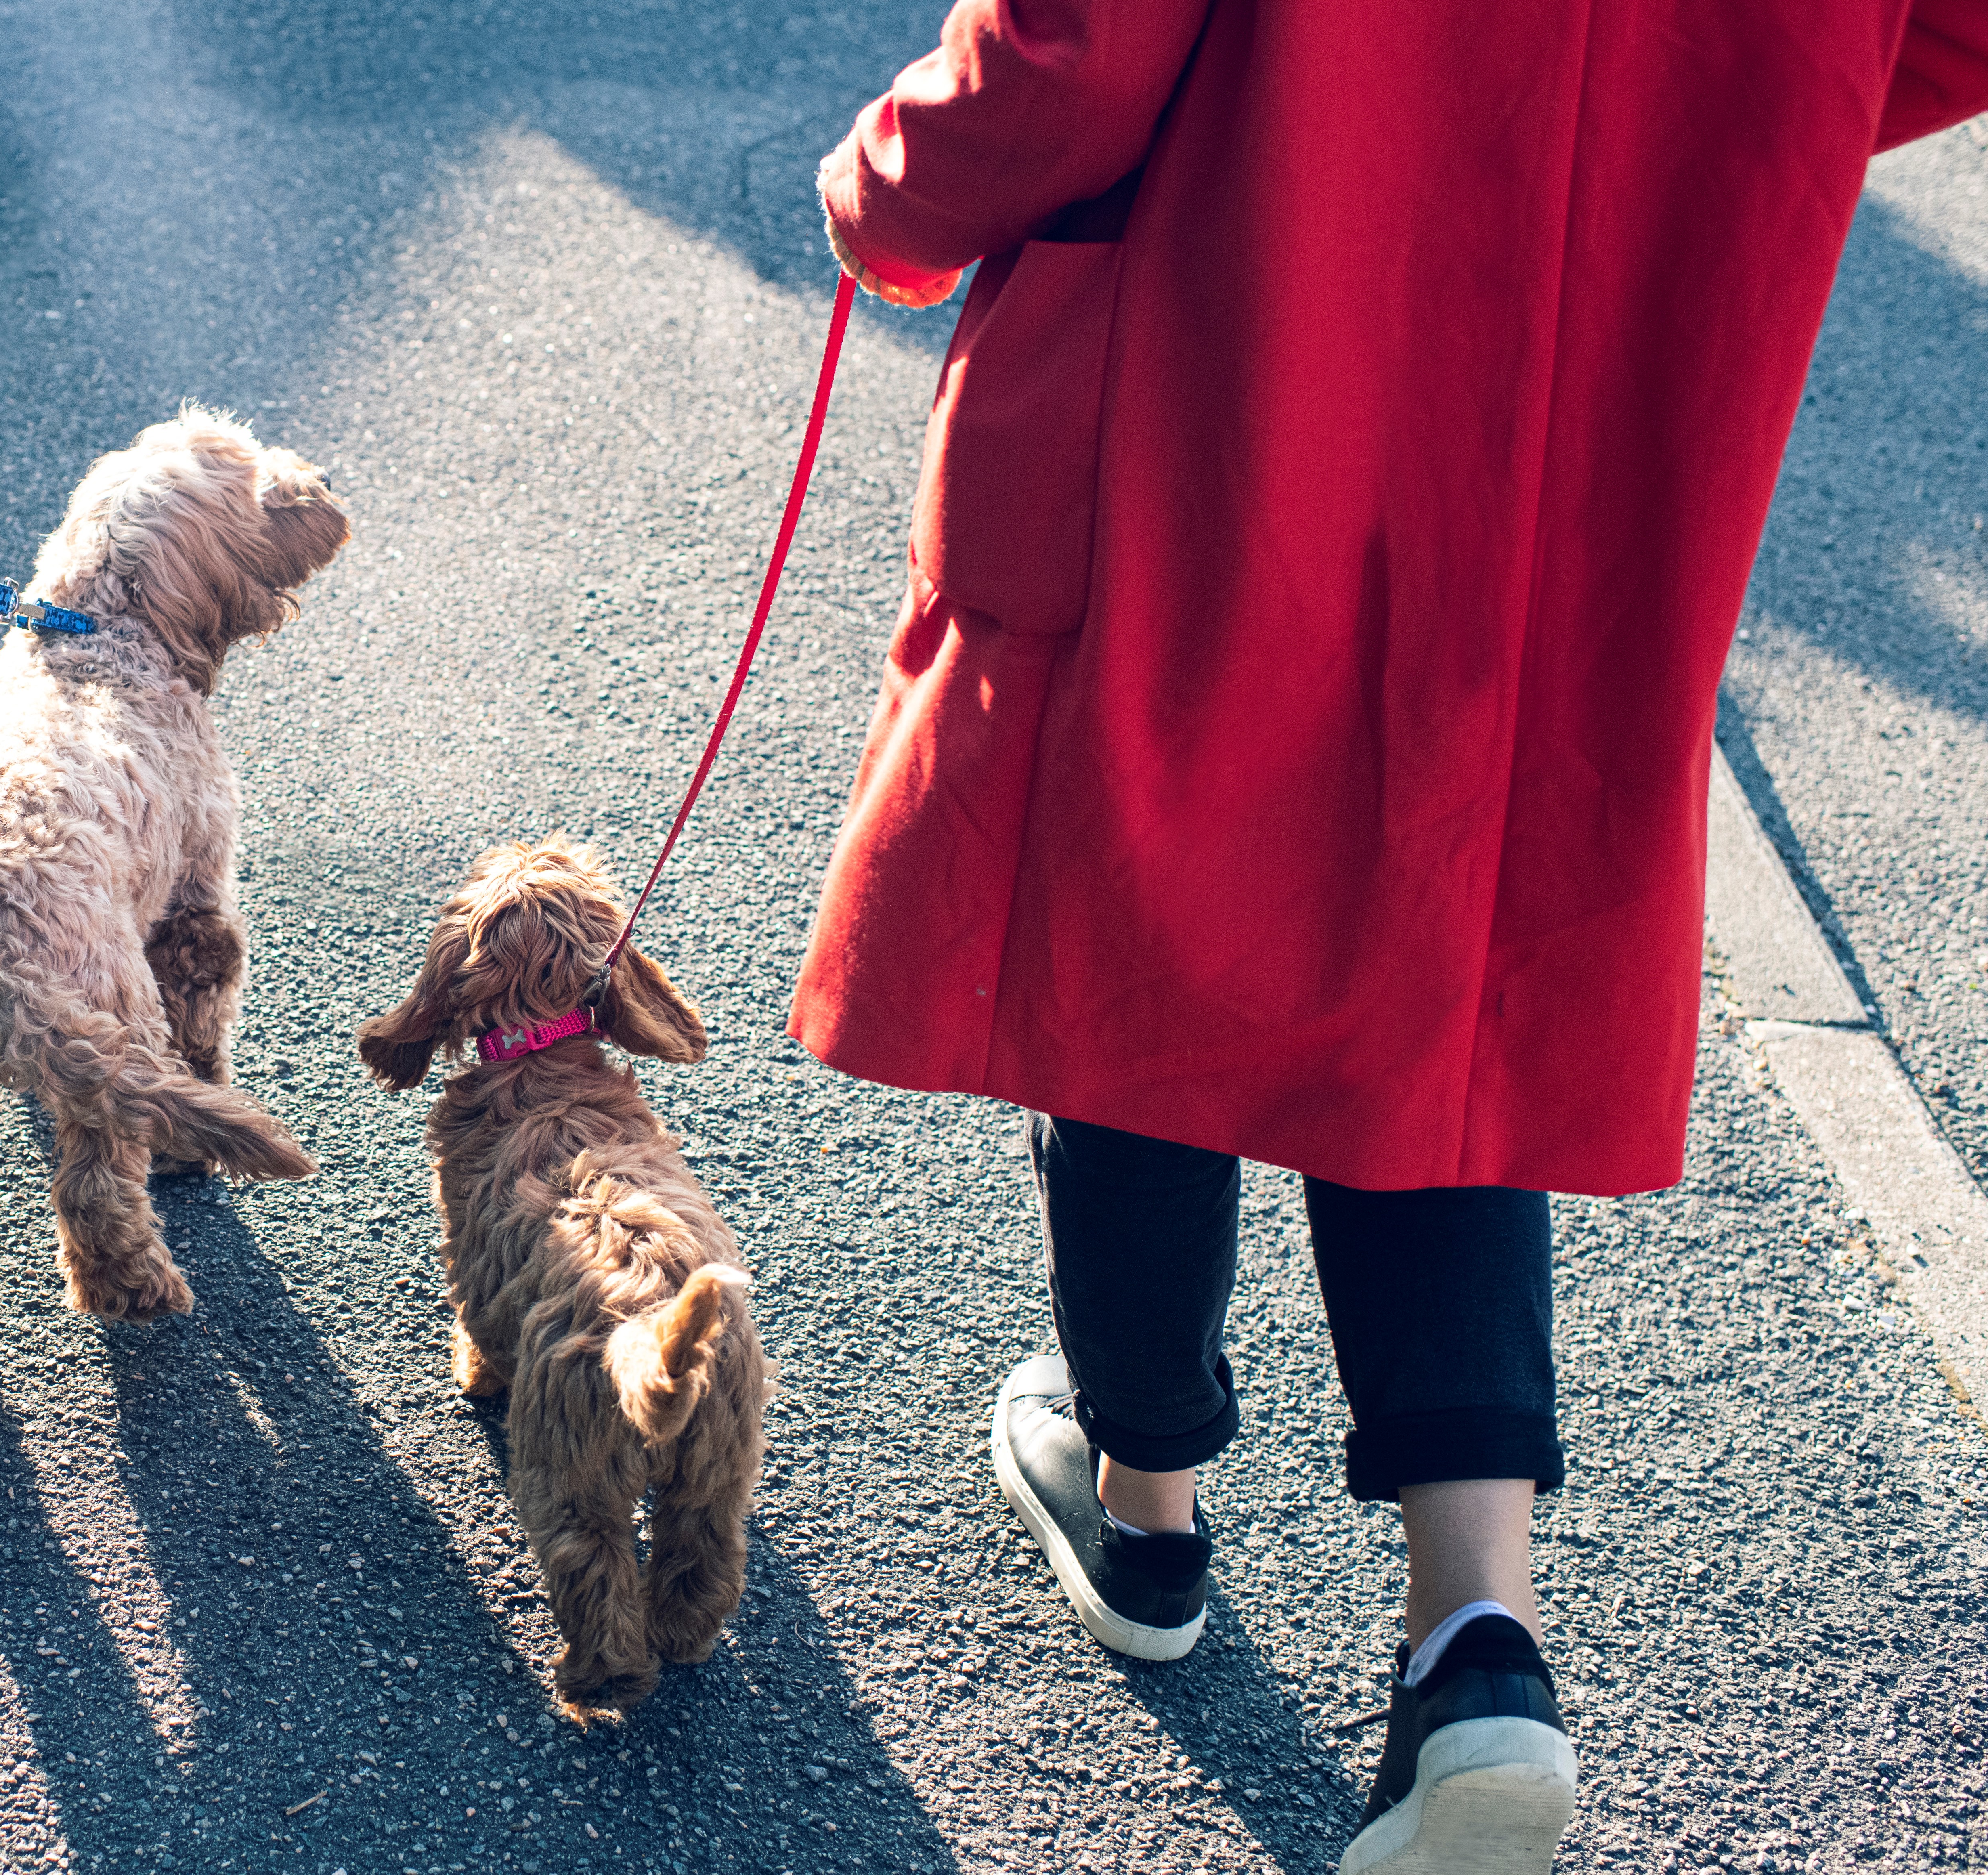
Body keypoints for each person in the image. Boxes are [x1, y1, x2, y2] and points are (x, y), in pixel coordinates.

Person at [795, 2, 1988, 1869]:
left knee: (1154, 878)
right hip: (1579, 384)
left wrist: (895, 185)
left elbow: (1084, 37)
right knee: (1447, 947)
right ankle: (1475, 1650)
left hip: (1250, 310)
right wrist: (1710, 128)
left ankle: (1149, 1500)